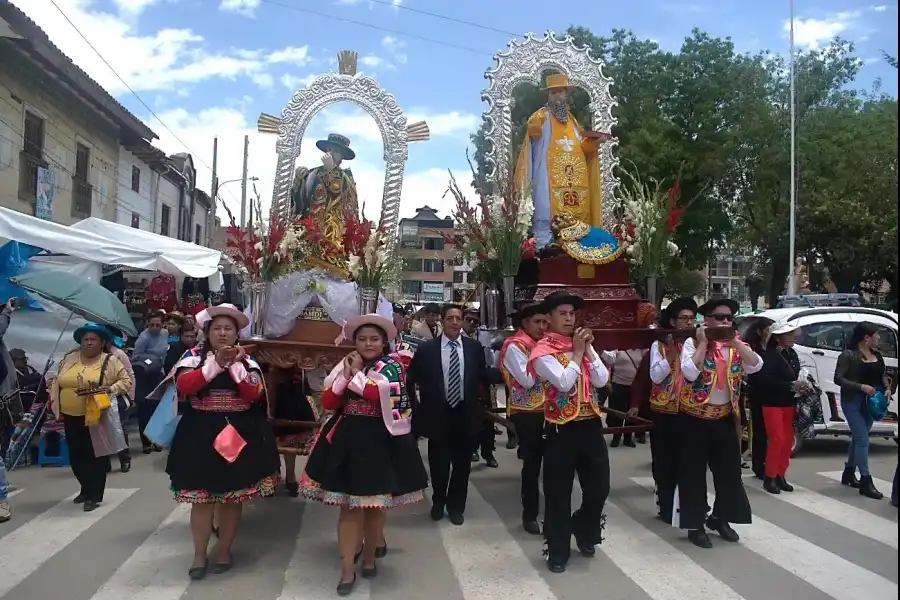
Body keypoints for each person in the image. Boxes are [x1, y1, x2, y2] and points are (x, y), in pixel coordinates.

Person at [300, 313, 428, 596]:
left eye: (374, 339)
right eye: (362, 339)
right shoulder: (346, 364)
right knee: (349, 507)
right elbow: (331, 401)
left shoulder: (393, 366)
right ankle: (347, 568)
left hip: (382, 440)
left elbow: (375, 394)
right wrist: (346, 374)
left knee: (375, 506)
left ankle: (369, 556)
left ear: (384, 342)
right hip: (348, 439)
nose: (368, 344)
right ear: (354, 341)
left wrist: (355, 374)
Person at [165, 303, 279, 580]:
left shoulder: (248, 363)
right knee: (201, 500)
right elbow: (185, 387)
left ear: (238, 333)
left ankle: (225, 549)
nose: (223, 333)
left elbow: (253, 394)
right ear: (207, 332)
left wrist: (234, 366)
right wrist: (216, 364)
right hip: (199, 432)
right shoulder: (192, 358)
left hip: (236, 433)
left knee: (231, 498)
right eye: (217, 328)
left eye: (229, 329)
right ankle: (200, 554)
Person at [528, 290, 610, 573]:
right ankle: (558, 550)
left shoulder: (581, 345)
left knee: (599, 488)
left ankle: (584, 528)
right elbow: (563, 383)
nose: (568, 318)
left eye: (572, 314)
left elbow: (601, 379)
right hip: (561, 429)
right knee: (558, 492)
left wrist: (586, 350)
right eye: (562, 313)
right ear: (548, 318)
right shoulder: (542, 352)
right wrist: (577, 352)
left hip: (590, 425)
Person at [677, 297, 762, 549]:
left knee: (730, 473)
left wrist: (735, 341)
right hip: (694, 418)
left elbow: (757, 366)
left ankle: (720, 517)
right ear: (707, 320)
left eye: (729, 318)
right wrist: (704, 343)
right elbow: (690, 372)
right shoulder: (692, 343)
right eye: (720, 317)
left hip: (724, 417)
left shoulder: (736, 346)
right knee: (693, 474)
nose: (725, 321)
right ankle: (695, 525)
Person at [408, 304, 499, 526]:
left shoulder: (473, 347)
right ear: (442, 320)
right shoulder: (428, 349)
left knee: (462, 465)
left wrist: (508, 373)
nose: (455, 322)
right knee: (439, 464)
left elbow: (483, 374)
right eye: (451, 318)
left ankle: (456, 507)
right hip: (438, 414)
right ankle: (438, 502)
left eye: (459, 318)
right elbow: (412, 377)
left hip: (465, 414)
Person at [514, 73, 609, 250]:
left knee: (578, 218)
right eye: (553, 92)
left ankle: (579, 248)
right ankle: (544, 248)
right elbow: (533, 132)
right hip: (548, 176)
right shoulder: (542, 116)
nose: (557, 96)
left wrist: (595, 142)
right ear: (548, 96)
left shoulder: (572, 122)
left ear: (566, 95)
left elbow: (583, 147)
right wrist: (536, 121)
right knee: (545, 211)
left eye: (561, 92)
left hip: (575, 182)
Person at [49, 323, 133, 512]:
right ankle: (85, 488)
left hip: (96, 414)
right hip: (70, 414)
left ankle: (94, 495)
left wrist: (110, 389)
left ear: (102, 342)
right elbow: (59, 379)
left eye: (93, 339)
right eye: (85, 339)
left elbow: (126, 381)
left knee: (95, 455)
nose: (88, 343)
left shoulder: (110, 360)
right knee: (76, 455)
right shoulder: (70, 358)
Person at [636, 297, 697, 523]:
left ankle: (689, 505)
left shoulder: (698, 343)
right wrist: (671, 357)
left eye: (691, 318)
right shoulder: (659, 345)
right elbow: (654, 376)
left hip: (691, 409)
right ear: (672, 321)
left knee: (689, 461)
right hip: (665, 411)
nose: (688, 323)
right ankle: (665, 502)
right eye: (684, 318)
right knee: (664, 461)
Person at [499, 302, 549, 535]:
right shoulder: (515, 346)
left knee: (554, 464)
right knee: (532, 465)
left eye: (545, 323)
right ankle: (529, 514)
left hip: (551, 411)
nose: (542, 327)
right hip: (527, 413)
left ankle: (552, 512)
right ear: (525, 323)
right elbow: (527, 380)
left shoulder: (545, 344)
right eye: (537, 322)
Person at [834, 321, 891, 500]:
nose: (879, 338)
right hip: (853, 400)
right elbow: (838, 378)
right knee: (862, 439)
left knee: (860, 437)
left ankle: (849, 472)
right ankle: (866, 481)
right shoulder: (848, 355)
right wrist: (861, 387)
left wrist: (887, 388)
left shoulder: (877, 355)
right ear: (866, 338)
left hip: (872, 402)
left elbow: (882, 375)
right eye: (876, 335)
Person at [749, 320, 803, 495]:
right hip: (772, 403)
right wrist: (791, 386)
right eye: (788, 334)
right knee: (777, 439)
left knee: (787, 441)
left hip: (789, 402)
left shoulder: (792, 354)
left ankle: (781, 474)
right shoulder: (769, 356)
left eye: (792, 334)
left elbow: (796, 375)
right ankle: (770, 476)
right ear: (778, 337)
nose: (792, 337)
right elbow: (766, 381)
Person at [462, 309, 498, 468]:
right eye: (468, 320)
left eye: (475, 321)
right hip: (465, 384)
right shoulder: (457, 337)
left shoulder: (484, 337)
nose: (471, 324)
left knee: (488, 420)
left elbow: (489, 360)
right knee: (471, 421)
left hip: (483, 383)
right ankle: (472, 449)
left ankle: (489, 453)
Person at [741, 318, 775, 480]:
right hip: (758, 394)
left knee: (767, 432)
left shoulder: (770, 349)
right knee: (760, 432)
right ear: (760, 331)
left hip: (769, 394)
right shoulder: (754, 350)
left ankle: (765, 463)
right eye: (768, 330)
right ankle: (758, 463)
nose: (771, 333)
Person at [132, 311, 170, 453]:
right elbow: (135, 357)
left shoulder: (165, 334)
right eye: (152, 325)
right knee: (145, 411)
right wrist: (151, 360)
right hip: (145, 376)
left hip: (160, 376)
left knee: (158, 410)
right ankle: (146, 442)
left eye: (158, 325)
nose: (155, 327)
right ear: (147, 325)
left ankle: (157, 440)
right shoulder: (143, 338)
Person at [104, 326, 136, 474]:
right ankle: (104, 463)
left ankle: (125, 459)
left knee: (120, 429)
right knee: (101, 430)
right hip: (98, 397)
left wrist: (131, 396)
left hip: (118, 396)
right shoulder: (91, 356)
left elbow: (130, 375)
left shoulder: (118, 354)